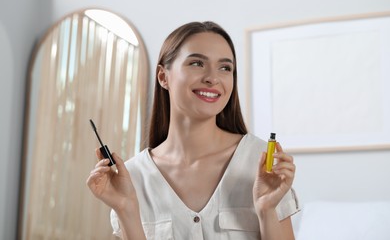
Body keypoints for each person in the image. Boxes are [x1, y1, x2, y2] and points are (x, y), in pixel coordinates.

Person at [87, 21, 299, 240]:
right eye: (197, 63)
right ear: (163, 77)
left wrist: (267, 211)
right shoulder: (132, 177)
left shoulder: (261, 162)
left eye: (225, 68)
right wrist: (126, 209)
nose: (212, 78)